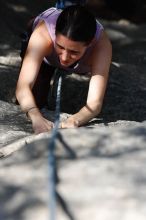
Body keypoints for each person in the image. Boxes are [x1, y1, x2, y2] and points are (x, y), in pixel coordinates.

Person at [15, 5, 112, 134]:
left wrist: (75, 120)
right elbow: (23, 87)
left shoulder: (101, 46)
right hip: (45, 53)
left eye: (74, 52)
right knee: (32, 99)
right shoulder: (43, 34)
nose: (65, 58)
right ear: (55, 33)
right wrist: (35, 115)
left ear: (90, 44)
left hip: (83, 62)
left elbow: (95, 103)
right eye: (60, 47)